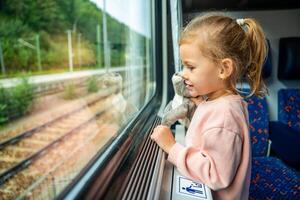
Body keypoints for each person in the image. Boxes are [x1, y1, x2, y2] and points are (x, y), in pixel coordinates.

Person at [151, 12, 268, 200]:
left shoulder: (224, 116)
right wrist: (198, 107)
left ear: (223, 69)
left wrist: (172, 147)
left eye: (191, 67)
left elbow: (216, 175)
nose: (183, 74)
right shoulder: (217, 103)